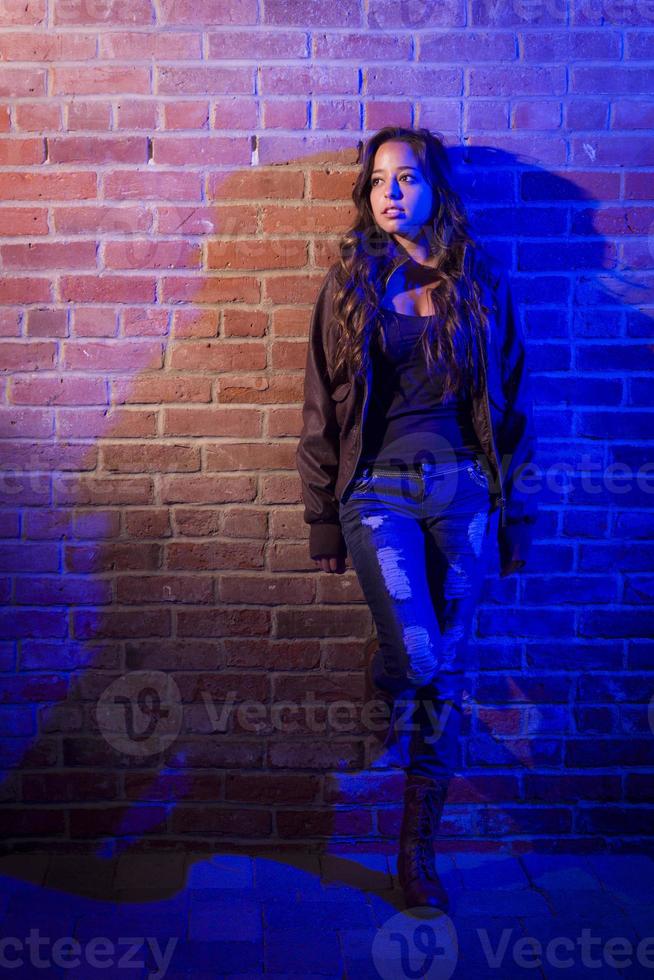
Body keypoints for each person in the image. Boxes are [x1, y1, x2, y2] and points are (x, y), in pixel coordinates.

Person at [295, 126, 538, 911]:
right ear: (366, 199)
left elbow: (513, 408)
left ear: (436, 187)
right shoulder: (349, 286)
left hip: (467, 494)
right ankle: (389, 665)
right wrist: (322, 521)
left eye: (406, 177)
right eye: (377, 182)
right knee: (426, 658)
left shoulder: (481, 282)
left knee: (445, 682)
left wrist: (517, 519)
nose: (391, 192)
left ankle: (416, 854)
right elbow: (320, 409)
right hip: (379, 495)